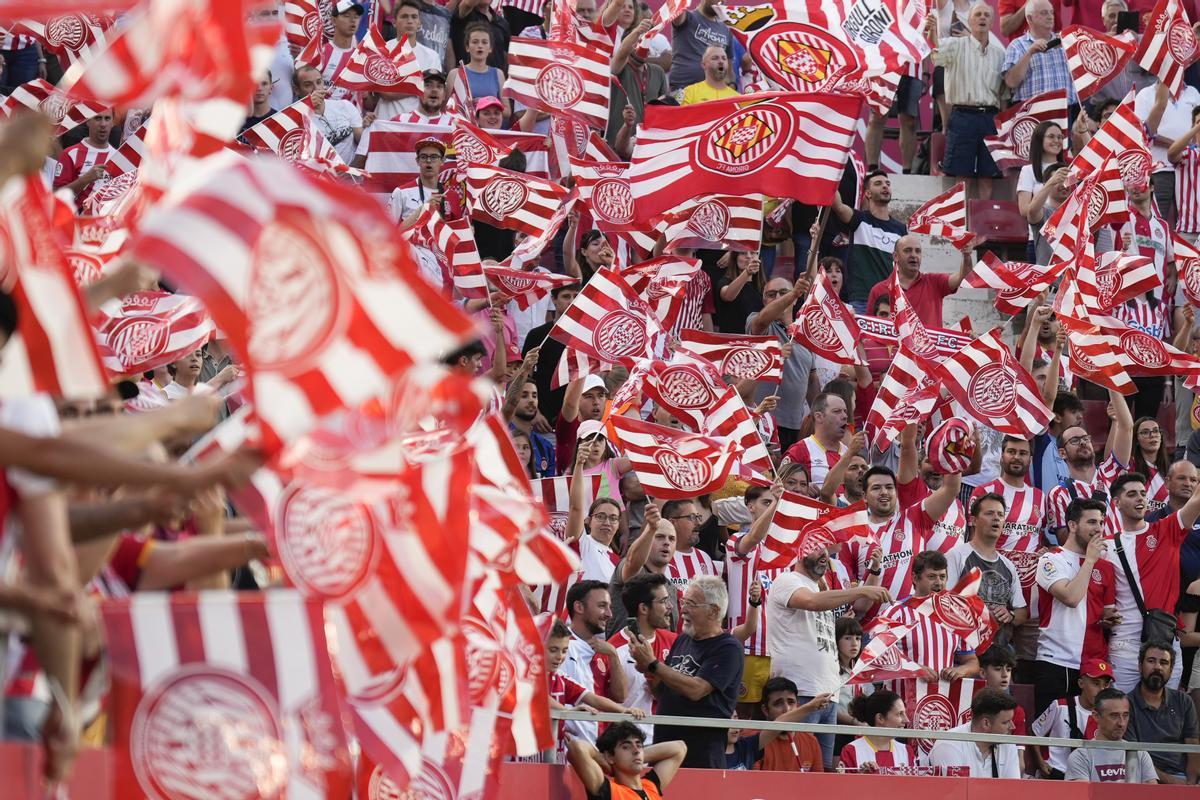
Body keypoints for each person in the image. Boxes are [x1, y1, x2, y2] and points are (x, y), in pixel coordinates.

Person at [768, 537, 891, 768]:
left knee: (822, 770)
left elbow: (859, 606)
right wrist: (862, 589)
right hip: (800, 691)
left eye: (826, 548)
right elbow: (812, 602)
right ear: (799, 551)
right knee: (797, 767)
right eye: (816, 548)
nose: (824, 554)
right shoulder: (787, 580)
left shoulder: (821, 589)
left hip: (828, 693)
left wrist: (873, 571)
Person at [629, 575, 743, 769]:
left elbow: (696, 690)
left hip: (701, 755)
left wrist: (653, 664)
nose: (683, 609)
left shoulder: (728, 648)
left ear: (713, 611)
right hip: (664, 748)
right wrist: (648, 671)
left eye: (691, 604)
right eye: (683, 602)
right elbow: (660, 693)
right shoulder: (683, 640)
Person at [1107, 472, 1200, 689]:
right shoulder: (1104, 546)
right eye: (1132, 494)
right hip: (1124, 646)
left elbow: (1196, 500)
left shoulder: (1167, 530)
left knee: (1167, 715)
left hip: (1165, 643)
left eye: (1142, 493)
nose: (1140, 498)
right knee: (1122, 716)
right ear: (1117, 502)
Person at [1034, 498, 1120, 716]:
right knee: (1049, 736)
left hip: (1093, 665)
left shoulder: (1107, 568)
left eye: (1101, 522)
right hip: (1056, 661)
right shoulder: (1051, 559)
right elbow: (1071, 598)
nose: (1098, 528)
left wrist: (1108, 619)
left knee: (1090, 732)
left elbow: (1106, 611)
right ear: (1072, 525)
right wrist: (1090, 561)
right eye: (1091, 522)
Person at [842, 465, 960, 623]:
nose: (884, 492)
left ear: (896, 493)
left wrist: (955, 458)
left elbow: (950, 489)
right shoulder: (851, 536)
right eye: (876, 488)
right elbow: (848, 595)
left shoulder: (913, 517)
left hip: (915, 624)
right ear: (864, 495)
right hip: (871, 631)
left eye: (889, 487)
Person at [926, 2, 1005, 197]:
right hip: (962, 116)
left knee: (988, 177)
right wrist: (932, 31)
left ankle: (983, 223)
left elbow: (1004, 94)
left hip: (990, 119)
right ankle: (961, 224)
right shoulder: (955, 45)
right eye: (977, 14)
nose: (982, 18)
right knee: (962, 176)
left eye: (987, 15)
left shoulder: (1000, 54)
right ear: (969, 20)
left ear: (993, 22)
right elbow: (936, 55)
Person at [546, 620, 645, 760]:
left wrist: (624, 710)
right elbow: (537, 696)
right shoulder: (523, 675)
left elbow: (592, 698)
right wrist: (567, 712)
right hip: (525, 756)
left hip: (554, 753)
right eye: (553, 650)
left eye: (564, 651)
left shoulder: (560, 678)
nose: (560, 657)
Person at [874, 550, 979, 682]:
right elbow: (875, 655)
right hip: (902, 697)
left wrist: (960, 670)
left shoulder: (956, 616)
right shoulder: (894, 613)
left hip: (941, 699)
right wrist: (913, 668)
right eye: (931, 576)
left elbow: (972, 663)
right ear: (914, 578)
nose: (938, 582)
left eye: (942, 577)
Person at [1045, 390, 1134, 541]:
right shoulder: (1059, 493)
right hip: (1088, 562)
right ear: (1062, 453)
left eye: (1086, 439)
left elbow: (1127, 427)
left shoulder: (1109, 472)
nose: (1082, 443)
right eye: (1074, 441)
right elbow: (1064, 542)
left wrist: (1111, 383)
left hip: (1121, 558)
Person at [946, 492, 1030, 647]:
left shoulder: (1008, 566)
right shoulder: (956, 556)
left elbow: (1022, 613)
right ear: (974, 520)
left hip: (999, 652)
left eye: (1000, 514)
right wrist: (982, 616)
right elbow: (945, 605)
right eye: (989, 513)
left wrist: (1010, 615)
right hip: (965, 650)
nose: (996, 518)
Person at [747, 277, 814, 454]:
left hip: (795, 427)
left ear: (797, 300)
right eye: (771, 294)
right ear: (764, 301)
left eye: (783, 292)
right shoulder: (759, 323)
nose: (777, 297)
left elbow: (812, 383)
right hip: (763, 422)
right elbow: (762, 320)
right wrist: (792, 294)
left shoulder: (805, 334)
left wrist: (816, 417)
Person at [607, 572, 677, 741]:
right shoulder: (612, 650)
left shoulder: (676, 643)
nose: (670, 607)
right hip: (627, 746)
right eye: (663, 601)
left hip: (667, 742)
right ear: (643, 608)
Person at [560, 580, 628, 744]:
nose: (609, 614)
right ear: (579, 607)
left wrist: (612, 654)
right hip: (566, 746)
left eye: (609, 607)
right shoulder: (558, 645)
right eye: (602, 606)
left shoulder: (604, 649)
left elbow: (620, 696)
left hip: (598, 746)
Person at [830, 171, 907, 314]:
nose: (885, 186)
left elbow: (904, 267)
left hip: (891, 302)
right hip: (861, 301)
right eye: (878, 184)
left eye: (887, 184)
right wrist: (830, 173)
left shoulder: (900, 229)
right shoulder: (859, 219)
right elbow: (838, 206)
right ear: (868, 194)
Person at [1125, 641, 1200, 783]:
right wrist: (1175, 785)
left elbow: (1193, 747)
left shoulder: (1184, 701)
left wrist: (1191, 784)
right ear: (1140, 666)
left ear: (1171, 670)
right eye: (1151, 661)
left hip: (1184, 777)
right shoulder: (1126, 704)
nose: (1157, 667)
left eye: (1164, 663)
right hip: (1145, 778)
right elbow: (1133, 756)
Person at [1032, 658, 1116, 780]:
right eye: (1096, 683)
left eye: (1106, 684)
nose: (1102, 690)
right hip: (1054, 774)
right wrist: (1040, 763)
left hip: (1086, 779)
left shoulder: (1107, 716)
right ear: (1081, 683)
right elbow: (1034, 732)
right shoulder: (1060, 705)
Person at [723, 677, 827, 771]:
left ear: (797, 705)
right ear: (765, 710)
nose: (787, 710)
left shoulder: (811, 741)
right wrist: (810, 707)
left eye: (791, 702)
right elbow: (754, 785)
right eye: (778, 703)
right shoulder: (752, 738)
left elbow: (818, 785)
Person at [568, 722, 686, 800]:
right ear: (610, 756)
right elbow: (576, 748)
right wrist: (603, 760)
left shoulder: (651, 787)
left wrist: (638, 756)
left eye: (639, 745)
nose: (636, 750)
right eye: (626, 747)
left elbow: (679, 748)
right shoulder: (608, 791)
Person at [609, 504, 678, 636]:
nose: (666, 542)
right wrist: (651, 529)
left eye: (671, 539)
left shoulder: (670, 588)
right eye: (659, 537)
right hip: (625, 654)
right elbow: (632, 562)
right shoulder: (634, 572)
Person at [1066, 687, 1159, 783]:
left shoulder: (1140, 754)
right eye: (1114, 716)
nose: (1121, 723)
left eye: (1125, 715)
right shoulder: (1081, 756)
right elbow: (1082, 795)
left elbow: (1152, 793)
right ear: (1096, 716)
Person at [1141, 78, 1200, 226]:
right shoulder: (1145, 94)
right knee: (1158, 220)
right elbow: (1143, 133)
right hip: (1159, 168)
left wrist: (1185, 147)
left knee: (1189, 220)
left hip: (1189, 167)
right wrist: (1178, 146)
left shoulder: (1193, 93)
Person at [926, 688, 1022, 778]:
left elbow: (1012, 792)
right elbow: (953, 794)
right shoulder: (948, 745)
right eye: (1006, 722)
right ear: (986, 723)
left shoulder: (1008, 744)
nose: (1013, 727)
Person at [1002, 0, 1077, 114]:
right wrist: (1029, 52)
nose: (1050, 17)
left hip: (1065, 112)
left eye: (1051, 12)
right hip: (1032, 114)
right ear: (1030, 18)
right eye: (1044, 13)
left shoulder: (1066, 42)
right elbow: (1011, 82)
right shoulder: (1017, 45)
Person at [375, 0, 442, 119]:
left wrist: (398, 85)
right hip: (386, 121)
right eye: (404, 17)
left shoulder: (432, 56)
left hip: (418, 123)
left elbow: (431, 91)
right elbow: (385, 92)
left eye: (414, 17)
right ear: (394, 22)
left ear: (419, 23)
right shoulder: (381, 51)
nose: (410, 21)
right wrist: (418, 86)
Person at [293, 65, 362, 165]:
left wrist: (351, 170)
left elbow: (361, 143)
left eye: (319, 82)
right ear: (297, 90)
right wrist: (308, 106)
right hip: (321, 178)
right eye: (308, 85)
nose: (316, 88)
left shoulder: (344, 106)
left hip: (352, 173)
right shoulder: (294, 119)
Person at [781, 392, 849, 489]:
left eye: (845, 411)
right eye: (837, 411)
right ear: (819, 417)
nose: (845, 416)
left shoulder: (849, 453)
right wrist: (804, 487)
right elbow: (780, 486)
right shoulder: (799, 451)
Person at [840, 690, 917, 773]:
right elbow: (843, 785)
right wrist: (861, 777)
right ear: (880, 718)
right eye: (899, 714)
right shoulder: (851, 750)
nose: (907, 720)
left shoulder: (906, 751)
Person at [53, 109, 113, 205]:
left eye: (107, 119)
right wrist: (84, 180)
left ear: (112, 122)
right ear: (88, 121)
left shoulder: (117, 156)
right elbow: (56, 196)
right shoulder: (71, 154)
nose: (103, 124)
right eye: (97, 118)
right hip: (77, 218)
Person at [668, 0, 731, 92]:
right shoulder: (688, 17)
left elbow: (729, 64)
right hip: (684, 89)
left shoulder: (725, 29)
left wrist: (732, 84)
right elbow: (677, 9)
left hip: (713, 93)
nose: (720, 1)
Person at [391, 136, 447, 228]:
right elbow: (390, 233)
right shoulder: (401, 192)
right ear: (417, 161)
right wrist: (424, 209)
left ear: (442, 161)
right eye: (423, 157)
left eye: (434, 157)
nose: (428, 161)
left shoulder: (451, 195)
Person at [322, 0, 364, 100]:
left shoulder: (361, 58)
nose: (353, 20)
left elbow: (367, 102)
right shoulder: (321, 52)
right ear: (333, 20)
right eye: (346, 16)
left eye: (356, 16)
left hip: (353, 114)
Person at [1131, 417, 1171, 516]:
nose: (1152, 435)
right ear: (1136, 439)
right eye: (1145, 432)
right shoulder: (1129, 465)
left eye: (1156, 431)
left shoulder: (1172, 470)